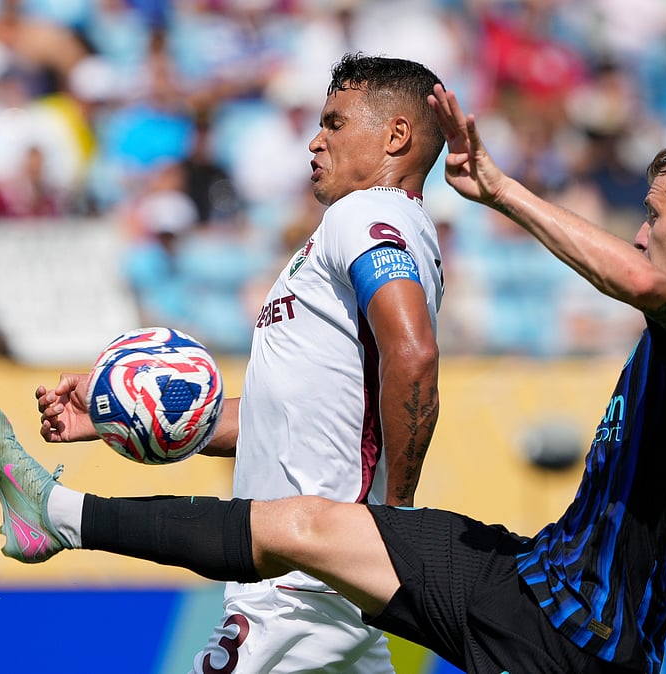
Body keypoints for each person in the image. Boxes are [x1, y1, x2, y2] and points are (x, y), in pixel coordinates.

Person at [0, 84, 666, 673]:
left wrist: (499, 188)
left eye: (654, 217)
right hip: (546, 591)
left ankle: (56, 516)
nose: (642, 235)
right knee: (313, 528)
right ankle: (56, 515)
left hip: (565, 627)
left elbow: (643, 284)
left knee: (316, 530)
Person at [26, 53, 447, 674]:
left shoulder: (365, 213)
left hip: (304, 579)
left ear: (396, 136)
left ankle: (56, 514)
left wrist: (395, 523)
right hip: (323, 577)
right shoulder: (373, 230)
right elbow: (285, 415)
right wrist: (119, 413)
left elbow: (413, 358)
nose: (315, 140)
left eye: (334, 123)